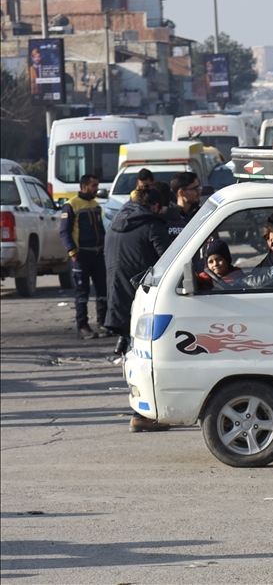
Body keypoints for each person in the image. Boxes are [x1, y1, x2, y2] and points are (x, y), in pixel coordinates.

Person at [104, 183, 172, 432]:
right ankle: (141, 414)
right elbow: (168, 261)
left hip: (118, 298)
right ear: (155, 206)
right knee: (149, 357)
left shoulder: (115, 223)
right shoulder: (152, 225)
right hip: (143, 299)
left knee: (136, 356)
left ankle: (141, 412)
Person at [59, 174, 109, 340]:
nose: (97, 189)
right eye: (94, 185)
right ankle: (83, 326)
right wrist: (72, 251)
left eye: (97, 185)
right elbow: (64, 231)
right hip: (82, 255)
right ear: (84, 186)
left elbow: (101, 230)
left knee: (102, 291)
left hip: (97, 254)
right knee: (83, 293)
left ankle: (103, 323)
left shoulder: (95, 205)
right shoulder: (71, 205)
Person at [164, 171, 201, 241]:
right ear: (181, 193)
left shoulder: (202, 214)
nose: (199, 191)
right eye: (195, 188)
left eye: (198, 187)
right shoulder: (167, 218)